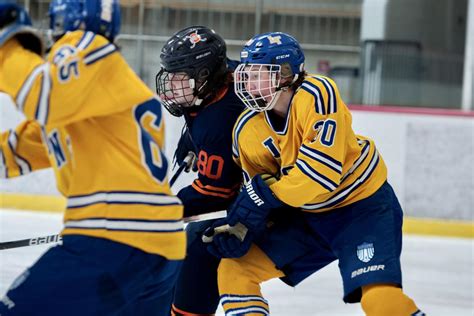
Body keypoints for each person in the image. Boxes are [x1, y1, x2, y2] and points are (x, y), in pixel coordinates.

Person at [205, 32, 425, 316]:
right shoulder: (246, 129)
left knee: (379, 301)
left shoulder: (317, 92)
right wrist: (242, 226)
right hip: (306, 218)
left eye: (259, 74)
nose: (249, 83)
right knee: (235, 270)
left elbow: (320, 175)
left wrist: (264, 197)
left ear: (285, 74)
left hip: (360, 209)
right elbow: (258, 193)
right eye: (247, 74)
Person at [0, 1, 185, 315]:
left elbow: (42, 93)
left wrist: (9, 42)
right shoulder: (87, 97)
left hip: (115, 237)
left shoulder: (87, 43)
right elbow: (13, 153)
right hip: (154, 247)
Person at [155, 25, 245, 315]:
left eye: (179, 77)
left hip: (262, 203)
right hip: (242, 185)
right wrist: (191, 137)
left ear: (204, 75)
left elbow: (213, 194)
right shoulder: (225, 75)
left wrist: (160, 211)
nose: (170, 84)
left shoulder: (219, 122)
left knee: (198, 244)